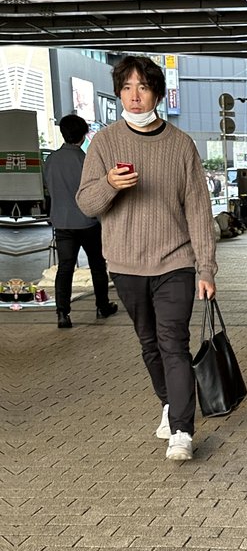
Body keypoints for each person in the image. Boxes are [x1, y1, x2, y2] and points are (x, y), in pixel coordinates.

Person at [76, 55, 217, 463]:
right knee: (149, 343)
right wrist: (108, 185)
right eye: (126, 88)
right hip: (124, 263)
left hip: (175, 263)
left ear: (156, 91)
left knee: (174, 343)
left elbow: (198, 211)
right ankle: (170, 403)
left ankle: (182, 430)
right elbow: (86, 204)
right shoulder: (103, 143)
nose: (134, 97)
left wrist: (206, 268)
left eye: (142, 87)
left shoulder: (180, 145)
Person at [44, 114, 117, 329]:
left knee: (65, 268)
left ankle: (62, 313)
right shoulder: (85, 161)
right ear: (84, 134)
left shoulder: (51, 160)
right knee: (96, 264)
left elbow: (50, 189)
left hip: (62, 223)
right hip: (88, 222)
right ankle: (102, 306)